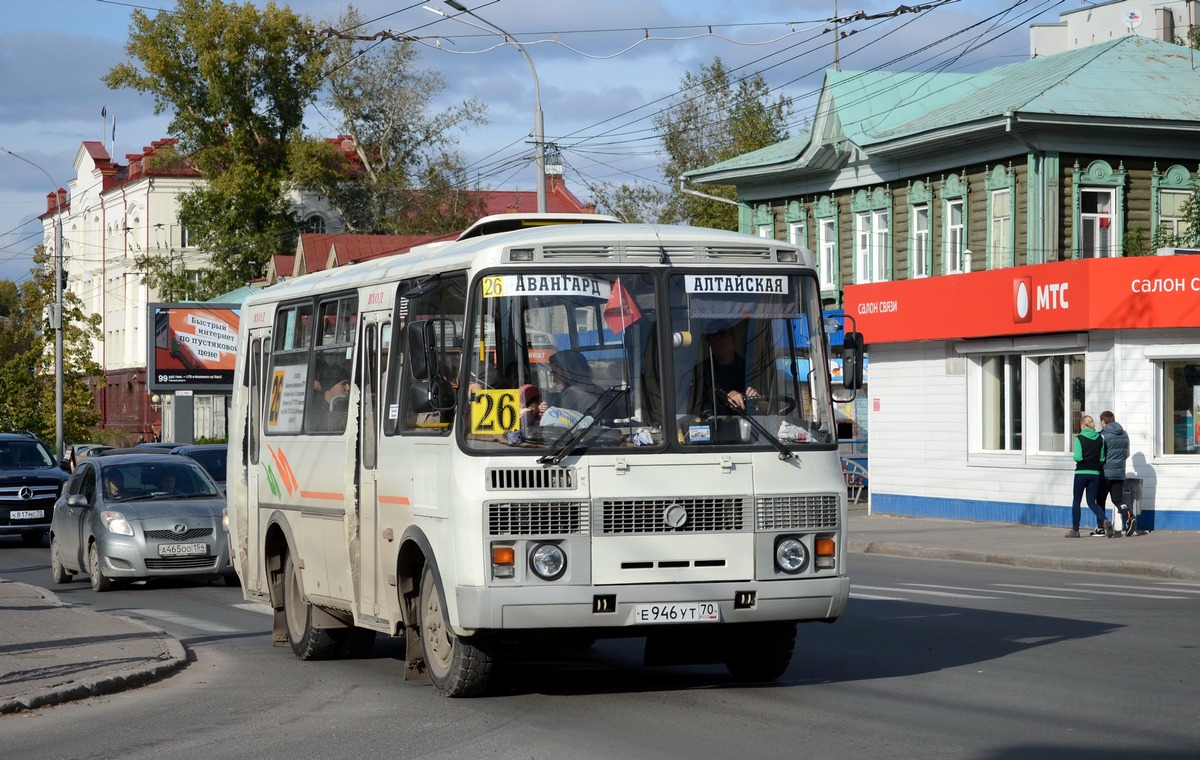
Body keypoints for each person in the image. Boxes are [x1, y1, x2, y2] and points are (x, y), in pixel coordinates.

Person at [699, 321, 758, 414]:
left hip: (751, 425)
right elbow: (699, 406)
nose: (716, 340)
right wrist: (727, 396)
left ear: (733, 338)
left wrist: (759, 401)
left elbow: (765, 400)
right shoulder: (701, 371)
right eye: (711, 337)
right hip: (715, 425)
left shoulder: (748, 367)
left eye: (721, 334)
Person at [1067, 414, 1111, 538]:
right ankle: (1105, 520)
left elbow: (1078, 457)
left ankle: (1075, 530)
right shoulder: (1100, 438)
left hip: (1081, 473)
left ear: (1082, 425)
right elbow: (1102, 459)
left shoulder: (1079, 438)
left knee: (1077, 501)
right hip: (1095, 473)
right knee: (1092, 502)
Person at [1098, 410, 1133, 536]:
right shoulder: (1124, 434)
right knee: (1118, 499)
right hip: (1120, 472)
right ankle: (1130, 516)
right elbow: (1127, 453)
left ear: (1103, 421)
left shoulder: (1102, 435)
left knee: (1100, 499)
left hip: (1105, 473)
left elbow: (1100, 455)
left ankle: (1101, 527)